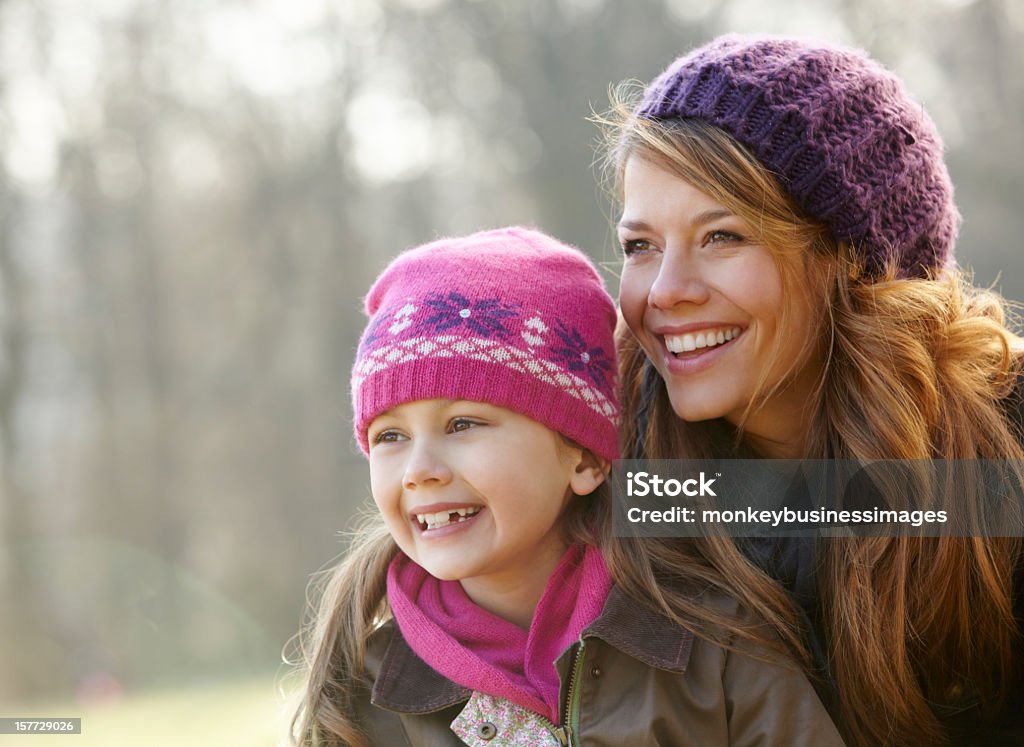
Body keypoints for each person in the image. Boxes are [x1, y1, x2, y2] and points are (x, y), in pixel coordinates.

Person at [599, 34, 1024, 747]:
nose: (664, 292)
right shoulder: (617, 472)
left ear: (850, 260)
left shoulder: (1000, 458)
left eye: (722, 237)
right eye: (640, 246)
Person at [289, 226, 845, 746]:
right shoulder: (363, 696)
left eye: (462, 424)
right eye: (389, 436)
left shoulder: (712, 640)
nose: (418, 469)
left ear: (583, 458)